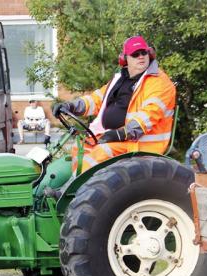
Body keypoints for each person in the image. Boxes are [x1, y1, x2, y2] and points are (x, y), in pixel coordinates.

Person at [53, 35, 176, 173]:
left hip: (140, 144)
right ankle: (77, 187)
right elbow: (96, 99)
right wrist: (71, 106)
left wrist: (120, 134)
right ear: (125, 59)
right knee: (80, 146)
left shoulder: (159, 82)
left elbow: (149, 115)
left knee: (102, 151)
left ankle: (83, 190)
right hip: (116, 137)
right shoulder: (119, 79)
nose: (141, 57)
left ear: (150, 54)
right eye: (135, 54)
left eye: (144, 52)